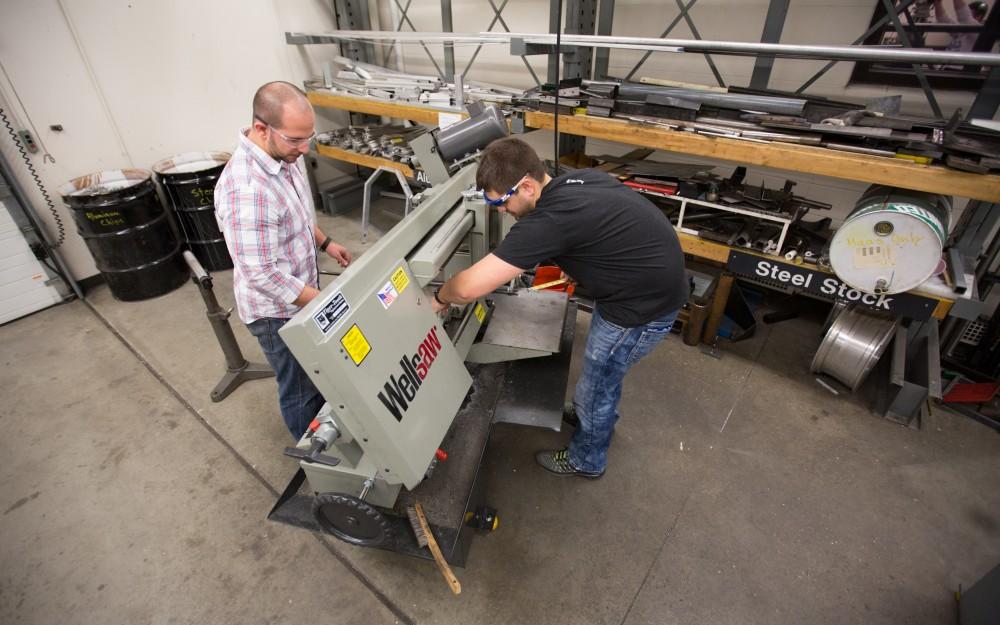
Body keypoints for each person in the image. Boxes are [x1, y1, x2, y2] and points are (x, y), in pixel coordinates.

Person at [431, 137, 688, 478]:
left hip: (639, 310)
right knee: (601, 378)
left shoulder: (549, 221)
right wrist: (576, 257)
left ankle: (587, 459)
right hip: (647, 287)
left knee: (601, 379)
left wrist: (438, 298)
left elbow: (466, 288)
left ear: (526, 186)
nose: (502, 212)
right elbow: (605, 223)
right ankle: (588, 411)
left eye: (502, 204)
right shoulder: (575, 181)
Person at [215, 81, 352, 440]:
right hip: (276, 313)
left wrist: (325, 242)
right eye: (295, 140)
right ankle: (315, 463)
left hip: (301, 294)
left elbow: (296, 216)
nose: (304, 148)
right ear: (261, 128)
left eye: (308, 138)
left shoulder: (282, 154)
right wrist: (324, 304)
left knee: (317, 375)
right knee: (301, 390)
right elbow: (262, 274)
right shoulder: (248, 190)